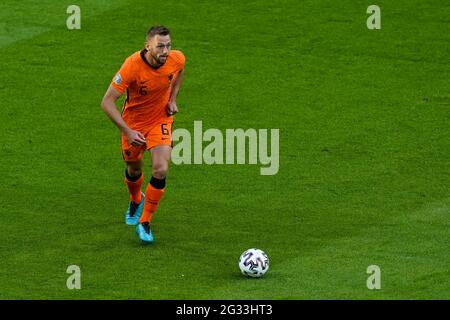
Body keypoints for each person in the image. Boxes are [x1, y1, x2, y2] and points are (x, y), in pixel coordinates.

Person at [101, 25, 185, 244]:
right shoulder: (132, 66)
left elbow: (180, 71)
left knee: (161, 168)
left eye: (168, 45)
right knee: (133, 166)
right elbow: (107, 102)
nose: (165, 51)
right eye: (160, 46)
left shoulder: (176, 59)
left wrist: (173, 99)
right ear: (148, 46)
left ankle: (145, 221)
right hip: (134, 125)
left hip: (160, 120)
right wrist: (127, 131)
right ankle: (136, 199)